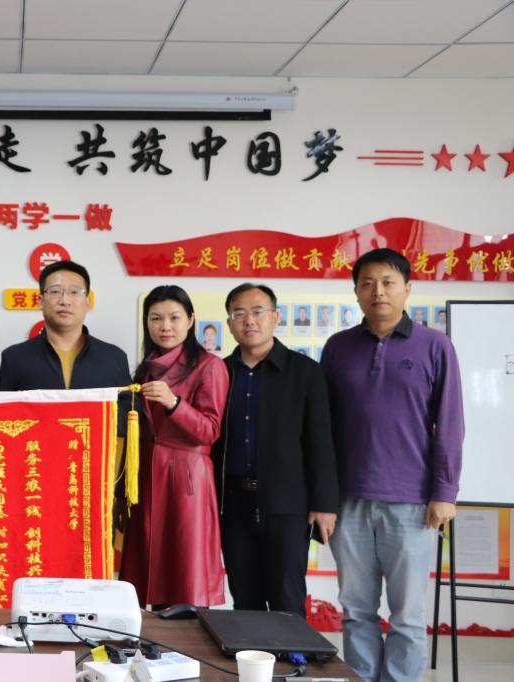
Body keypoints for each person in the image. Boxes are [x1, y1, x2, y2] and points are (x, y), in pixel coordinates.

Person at [322, 248, 463, 682]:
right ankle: (362, 677)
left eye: (387, 282)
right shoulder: (338, 347)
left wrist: (445, 492)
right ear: (356, 292)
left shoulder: (435, 346)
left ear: (407, 288)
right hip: (348, 501)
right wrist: (322, 496)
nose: (377, 291)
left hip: (412, 502)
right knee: (356, 609)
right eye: (367, 283)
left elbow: (450, 423)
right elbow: (322, 427)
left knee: (407, 615)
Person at [212, 283, 338, 618]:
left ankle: (293, 653)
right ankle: (252, 654)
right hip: (234, 506)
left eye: (258, 312)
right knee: (245, 600)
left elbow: (321, 442)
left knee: (287, 598)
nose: (249, 321)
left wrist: (324, 504)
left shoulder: (305, 372)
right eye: (239, 314)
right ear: (230, 323)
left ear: (275, 317)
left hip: (287, 506)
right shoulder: (219, 373)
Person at [119, 285, 229, 609]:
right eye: (156, 318)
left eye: (174, 317)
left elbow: (209, 431)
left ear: (191, 320)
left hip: (186, 480)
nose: (165, 326)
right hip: (146, 476)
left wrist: (174, 403)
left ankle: (186, 638)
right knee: (147, 575)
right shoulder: (145, 368)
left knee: (184, 574)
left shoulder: (209, 365)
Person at [0, 260, 131, 395]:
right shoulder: (14, 358)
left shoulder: (114, 358)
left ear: (87, 302)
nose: (65, 301)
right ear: (41, 301)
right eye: (55, 291)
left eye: (74, 292)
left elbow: (128, 406)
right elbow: (0, 407)